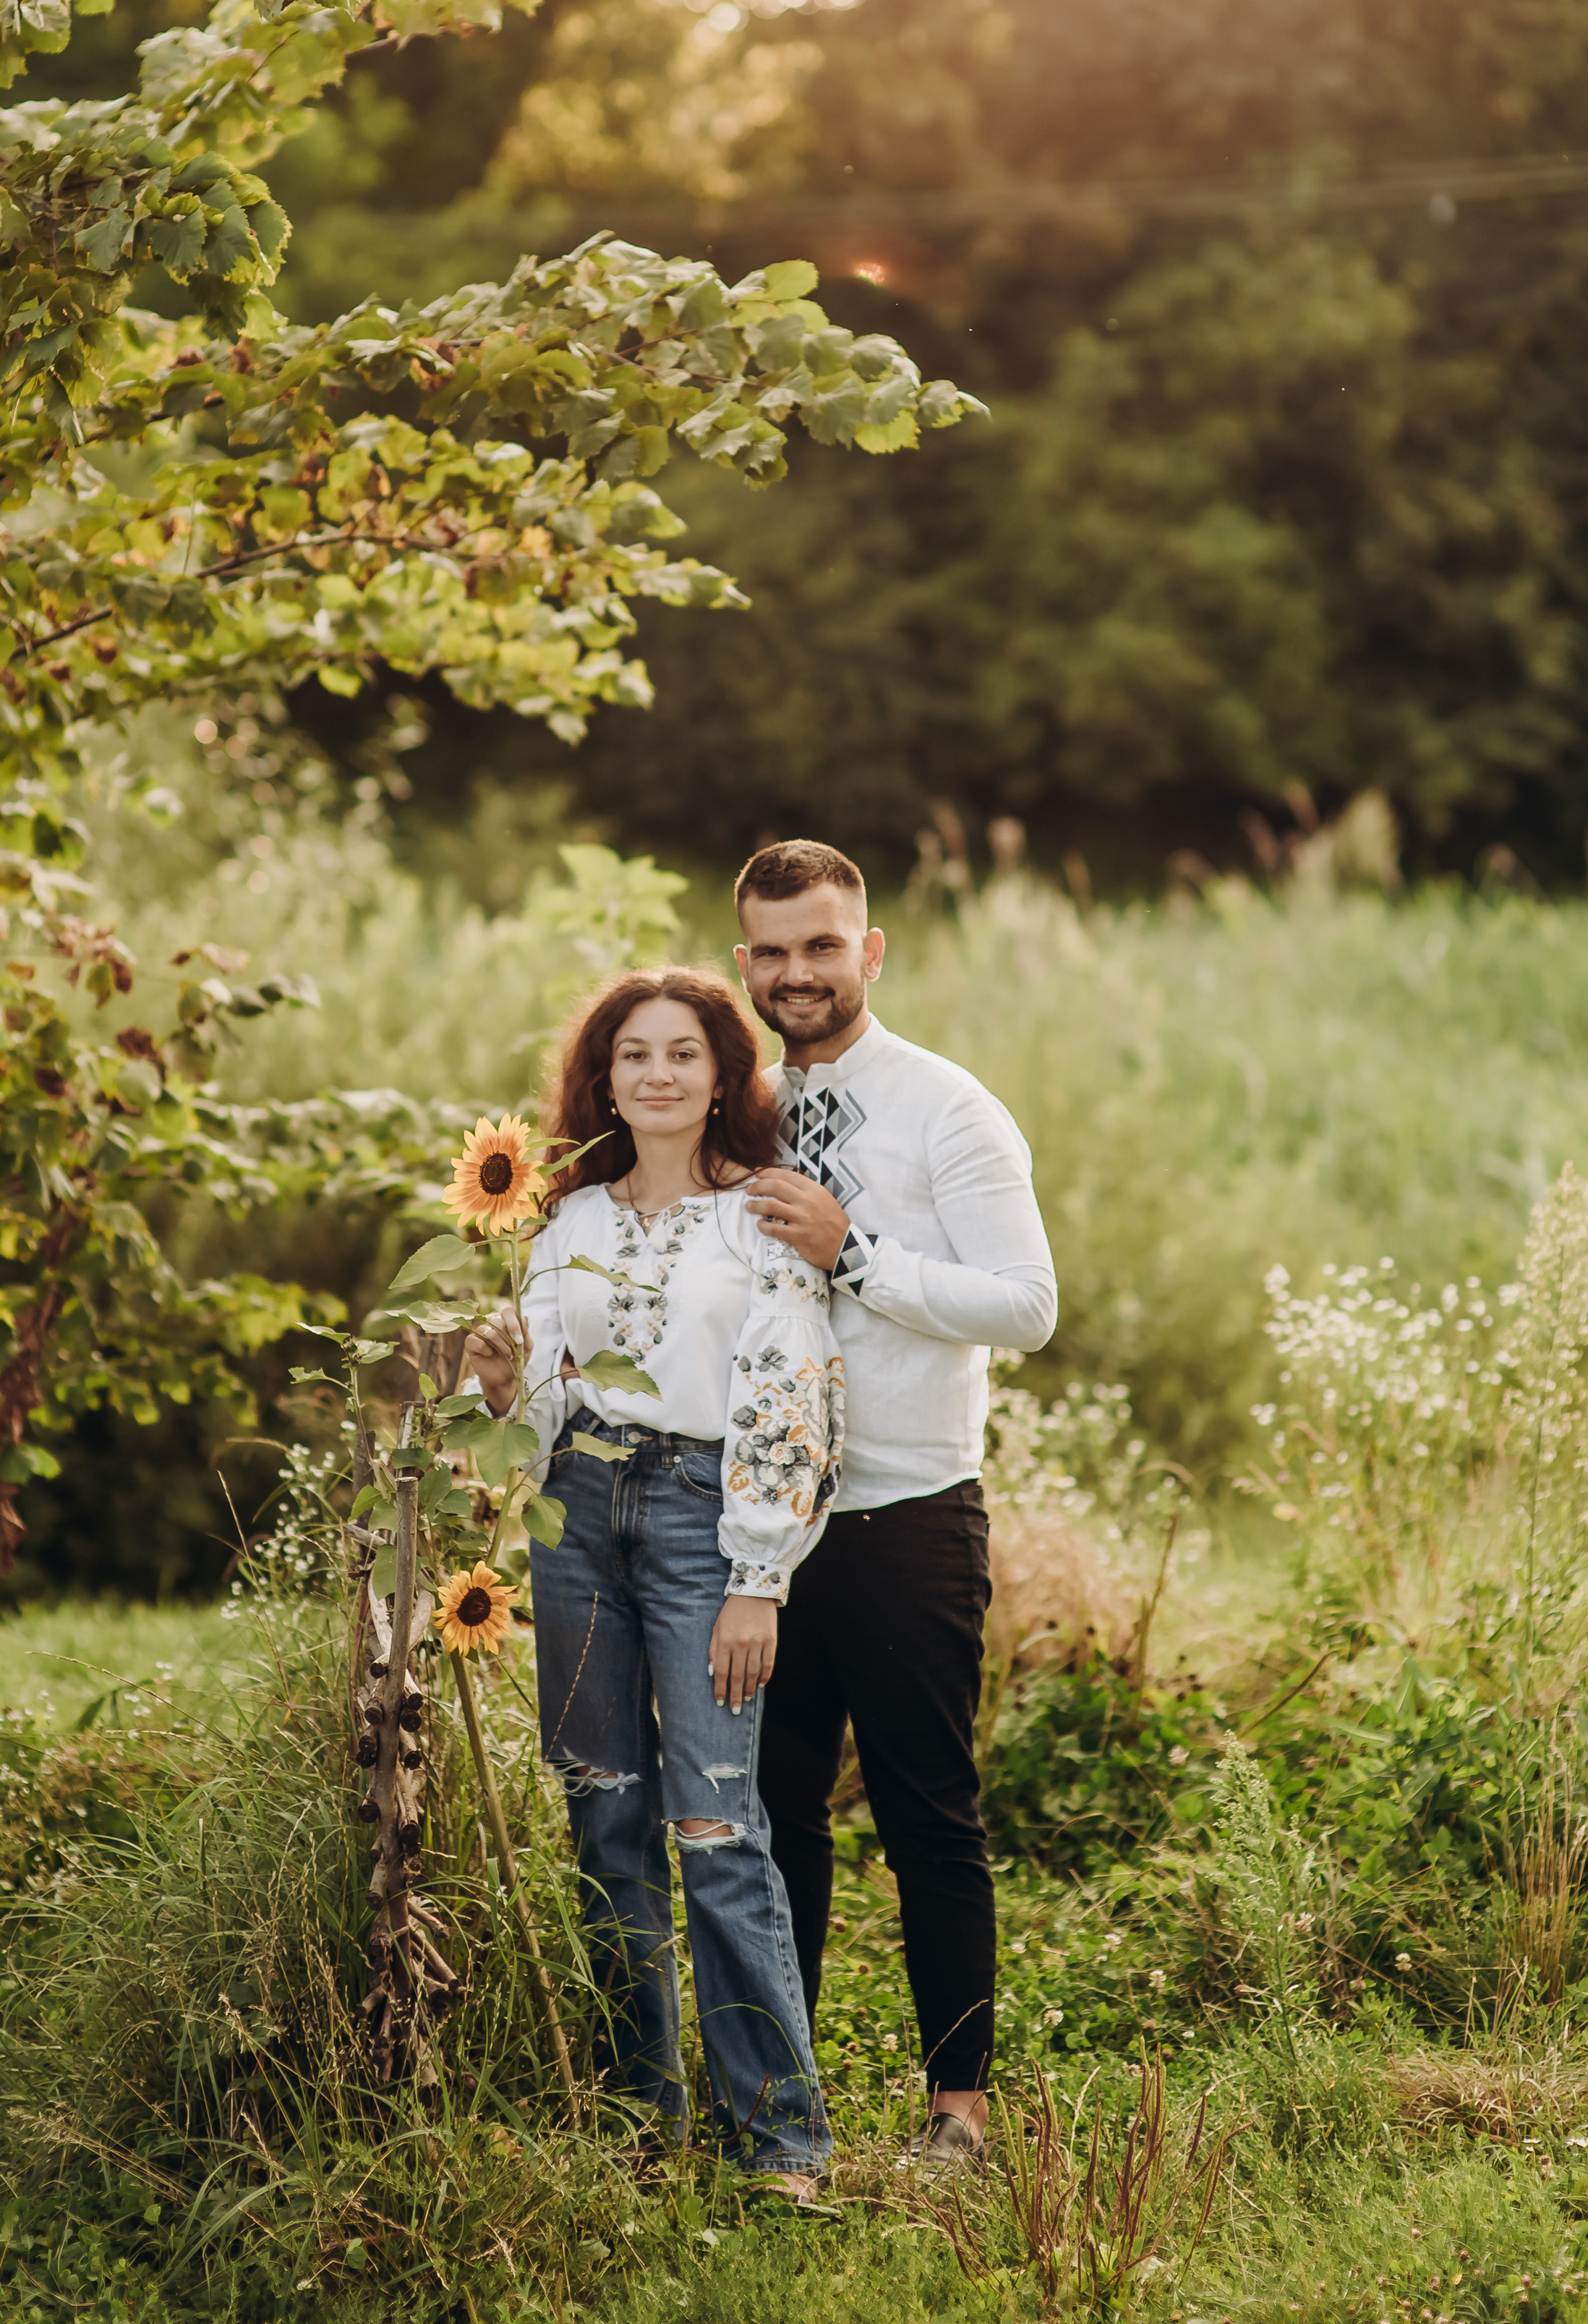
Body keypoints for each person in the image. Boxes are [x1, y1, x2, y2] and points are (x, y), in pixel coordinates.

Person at [464, 965, 843, 2192]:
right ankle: (638, 2123)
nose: (660, 1073)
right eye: (636, 1054)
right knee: (603, 1814)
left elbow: (790, 1394)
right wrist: (494, 1381)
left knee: (718, 1825)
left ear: (724, 1073)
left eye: (684, 1052)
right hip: (576, 1515)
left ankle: (779, 2139)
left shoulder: (760, 1216)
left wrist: (756, 1576)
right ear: (605, 1078)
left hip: (701, 1518)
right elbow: (538, 1403)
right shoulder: (564, 1221)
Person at [732, 838, 1056, 2172]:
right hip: (759, 1531)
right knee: (772, 1813)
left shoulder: (949, 1109)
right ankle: (783, 2095)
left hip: (906, 1518)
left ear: (868, 951)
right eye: (770, 950)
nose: (796, 973)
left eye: (821, 946)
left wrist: (854, 1253)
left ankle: (957, 2115)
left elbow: (1028, 1305)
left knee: (929, 1812)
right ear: (742, 960)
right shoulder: (734, 1107)